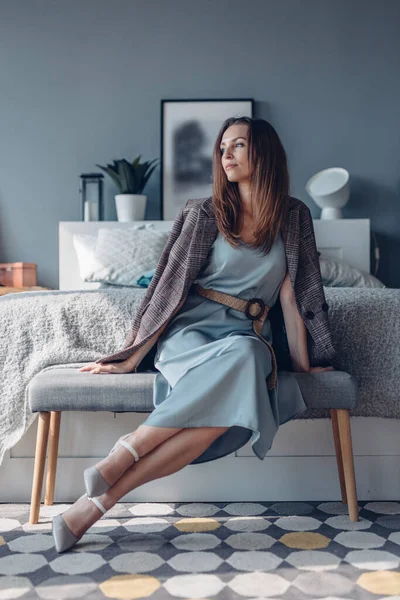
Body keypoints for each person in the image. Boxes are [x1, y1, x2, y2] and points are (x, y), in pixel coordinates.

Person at [52, 117, 335, 553]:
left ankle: (101, 494)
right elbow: (166, 287)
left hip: (244, 337)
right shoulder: (203, 213)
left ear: (265, 153)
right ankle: (117, 465)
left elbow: (297, 296)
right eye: (223, 147)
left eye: (238, 145)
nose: (226, 154)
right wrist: (130, 355)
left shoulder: (294, 217)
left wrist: (306, 363)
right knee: (243, 371)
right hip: (192, 331)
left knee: (248, 361)